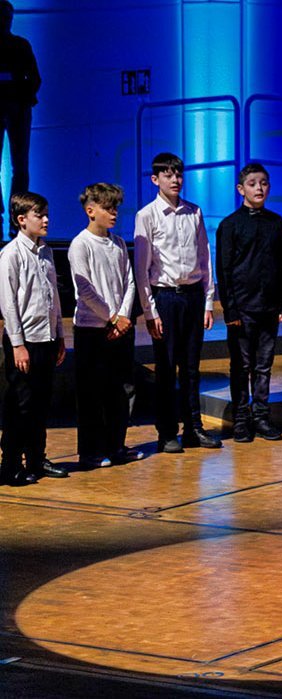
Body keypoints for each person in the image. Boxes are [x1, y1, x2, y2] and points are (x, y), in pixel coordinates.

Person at [133, 152, 222, 453]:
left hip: (193, 296)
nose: (175, 180)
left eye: (178, 174)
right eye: (168, 175)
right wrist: (150, 310)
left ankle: (194, 428)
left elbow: (204, 258)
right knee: (167, 367)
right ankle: (167, 431)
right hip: (166, 298)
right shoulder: (147, 215)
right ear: (155, 179)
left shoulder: (193, 212)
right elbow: (142, 270)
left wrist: (208, 301)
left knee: (192, 368)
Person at [215, 163, 282, 442]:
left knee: (264, 366)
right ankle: (241, 419)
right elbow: (224, 271)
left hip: (269, 308)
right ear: (241, 189)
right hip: (242, 310)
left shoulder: (276, 222)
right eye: (252, 183)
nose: (259, 188)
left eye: (264, 183)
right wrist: (230, 309)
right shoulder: (230, 225)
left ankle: (261, 417)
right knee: (241, 365)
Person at [69, 183, 143, 468]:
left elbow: (129, 282)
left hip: (119, 327)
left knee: (120, 389)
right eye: (108, 208)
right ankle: (90, 451)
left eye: (116, 208)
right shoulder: (80, 244)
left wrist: (123, 317)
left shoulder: (119, 243)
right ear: (91, 211)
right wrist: (111, 317)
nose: (114, 213)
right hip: (91, 328)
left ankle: (116, 445)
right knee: (91, 393)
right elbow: (85, 289)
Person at [0, 191, 66, 484]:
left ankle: (36, 459)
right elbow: (8, 302)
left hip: (46, 338)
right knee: (20, 405)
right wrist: (17, 344)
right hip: (24, 341)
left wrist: (61, 335)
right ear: (21, 219)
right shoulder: (11, 254)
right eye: (40, 215)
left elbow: (53, 297)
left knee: (41, 402)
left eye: (46, 213)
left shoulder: (47, 252)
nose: (46, 220)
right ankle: (11, 463)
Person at [0, 1, 39, 209]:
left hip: (18, 109)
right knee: (20, 166)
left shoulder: (21, 46)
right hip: (19, 109)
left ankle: (15, 215)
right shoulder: (21, 46)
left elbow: (35, 78)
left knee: (21, 166)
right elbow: (34, 79)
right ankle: (17, 215)